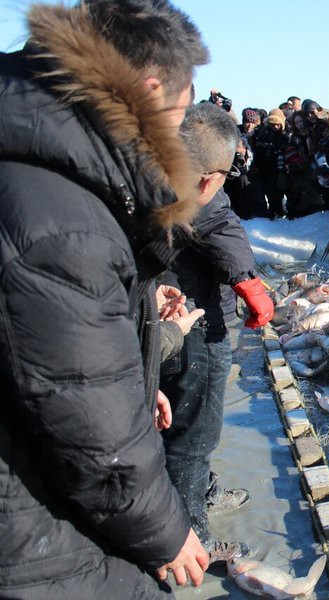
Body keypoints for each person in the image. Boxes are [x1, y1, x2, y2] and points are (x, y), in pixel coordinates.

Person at [0, 0, 212, 596]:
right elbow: (87, 417)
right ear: (148, 91)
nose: (181, 126)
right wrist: (165, 529)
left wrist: (141, 372)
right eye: (183, 107)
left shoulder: (40, 157)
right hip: (32, 532)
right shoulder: (67, 226)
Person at [160, 103, 274, 567]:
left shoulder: (146, 167)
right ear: (212, 175)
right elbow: (221, 228)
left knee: (182, 417)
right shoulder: (196, 189)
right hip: (194, 319)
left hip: (165, 313)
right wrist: (248, 281)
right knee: (194, 432)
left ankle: (203, 488)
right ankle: (193, 539)